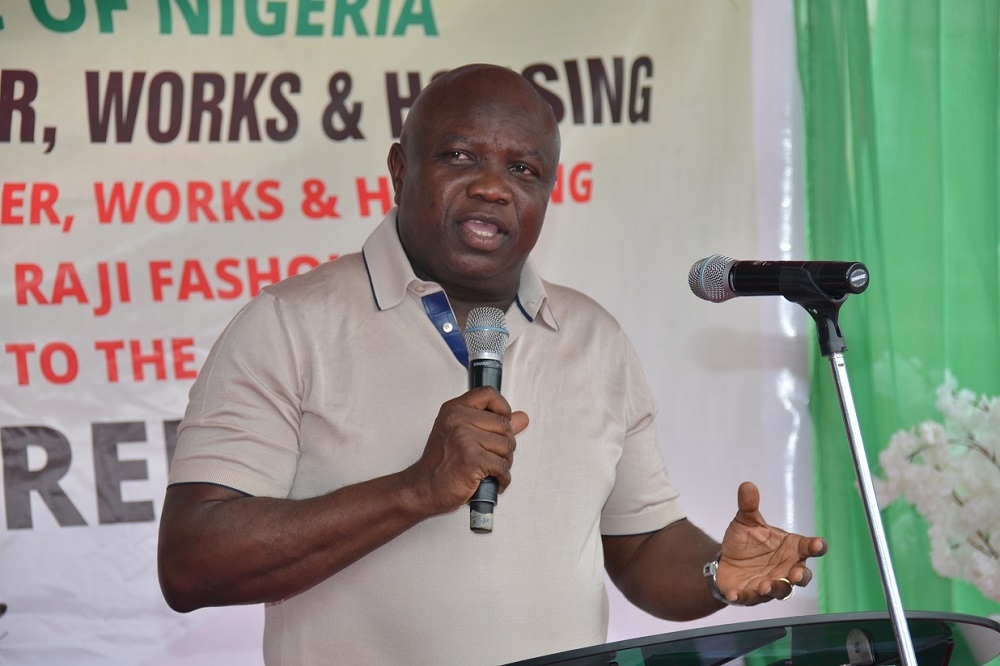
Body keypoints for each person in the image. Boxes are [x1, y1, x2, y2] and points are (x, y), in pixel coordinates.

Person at [157, 63, 827, 665]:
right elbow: (191, 562)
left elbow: (643, 546)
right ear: (399, 170)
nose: (493, 187)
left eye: (523, 169)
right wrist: (414, 490)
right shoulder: (289, 324)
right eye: (459, 156)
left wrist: (718, 570)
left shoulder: (593, 337)